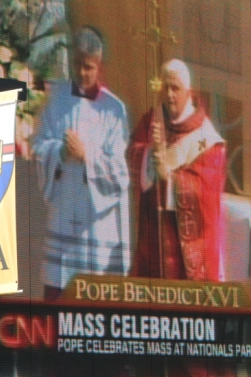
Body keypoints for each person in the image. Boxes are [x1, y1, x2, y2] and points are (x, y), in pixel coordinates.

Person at [33, 26, 130, 301]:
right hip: (63, 213)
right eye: (77, 65)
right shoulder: (56, 99)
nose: (82, 73)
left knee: (91, 300)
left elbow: (120, 175)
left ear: (99, 66)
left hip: (94, 224)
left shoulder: (113, 110)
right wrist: (59, 152)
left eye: (88, 67)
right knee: (57, 297)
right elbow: (38, 146)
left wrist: (87, 157)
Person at [128, 58, 226, 281]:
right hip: (152, 236)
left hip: (185, 249)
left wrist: (170, 180)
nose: (169, 95)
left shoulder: (206, 138)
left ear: (189, 92)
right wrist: (148, 156)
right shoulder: (152, 121)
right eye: (165, 88)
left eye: (175, 88)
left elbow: (207, 193)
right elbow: (131, 153)